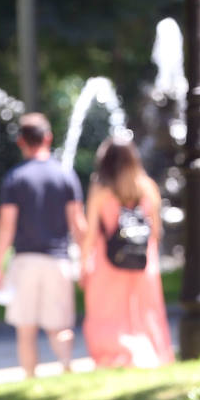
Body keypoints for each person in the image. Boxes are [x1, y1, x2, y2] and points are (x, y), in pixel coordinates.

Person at [0, 112, 87, 378]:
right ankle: (66, 366)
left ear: (21, 142)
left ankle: (30, 378)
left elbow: (6, 225)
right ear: (48, 138)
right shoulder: (65, 175)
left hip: (25, 261)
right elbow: (78, 223)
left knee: (26, 328)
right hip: (59, 260)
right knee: (60, 326)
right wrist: (86, 259)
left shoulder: (15, 178)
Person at [81, 136, 174, 367]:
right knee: (146, 310)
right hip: (143, 260)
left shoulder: (101, 190)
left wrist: (83, 263)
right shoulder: (147, 187)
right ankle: (152, 354)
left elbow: (90, 233)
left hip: (108, 261)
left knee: (108, 311)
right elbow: (156, 231)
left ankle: (115, 356)